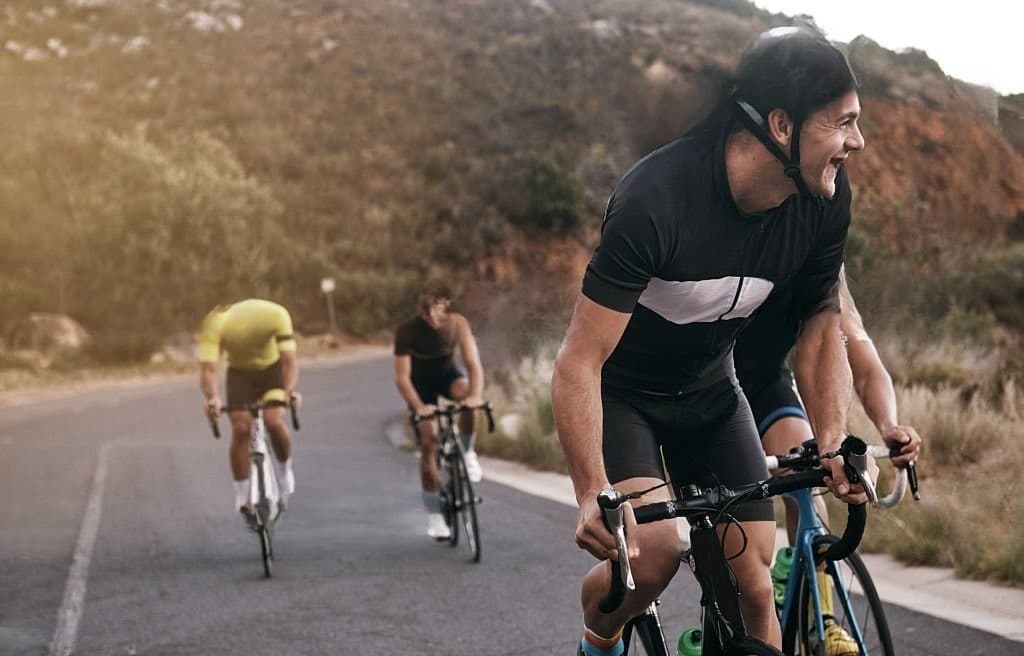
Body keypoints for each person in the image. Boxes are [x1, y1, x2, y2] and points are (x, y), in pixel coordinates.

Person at [551, 26, 871, 655]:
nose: (856, 142)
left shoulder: (824, 203)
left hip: (711, 393)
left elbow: (817, 326)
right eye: (842, 123)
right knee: (655, 555)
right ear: (782, 126)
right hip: (626, 397)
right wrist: (591, 492)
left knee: (753, 588)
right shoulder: (657, 200)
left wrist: (831, 440)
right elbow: (580, 360)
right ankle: (601, 638)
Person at [735, 268, 922, 654]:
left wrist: (888, 425)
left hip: (766, 387)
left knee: (808, 476)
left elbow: (864, 362)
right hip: (707, 389)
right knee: (735, 542)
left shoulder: (821, 260)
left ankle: (821, 622)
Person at [394, 283, 485, 540]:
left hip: (448, 377)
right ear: (419, 312)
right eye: (427, 312)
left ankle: (467, 452)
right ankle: (435, 517)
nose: (434, 317)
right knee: (428, 441)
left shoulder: (458, 323)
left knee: (468, 397)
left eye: (439, 308)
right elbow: (402, 377)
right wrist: (419, 407)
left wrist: (475, 397)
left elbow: (473, 365)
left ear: (447, 305)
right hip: (419, 386)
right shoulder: (407, 331)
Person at [199, 299, 300, 525]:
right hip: (240, 375)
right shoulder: (215, 323)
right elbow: (209, 369)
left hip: (271, 371)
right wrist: (213, 399)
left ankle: (285, 473)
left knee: (274, 420)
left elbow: (288, 363)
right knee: (242, 427)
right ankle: (243, 495)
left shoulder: (276, 315)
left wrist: (288, 392)